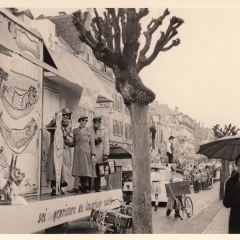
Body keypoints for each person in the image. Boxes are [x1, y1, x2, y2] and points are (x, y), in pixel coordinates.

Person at [46, 108, 73, 196]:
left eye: (67, 115)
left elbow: (71, 140)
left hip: (64, 149)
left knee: (63, 169)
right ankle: (54, 188)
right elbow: (48, 128)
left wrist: (66, 136)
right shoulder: (55, 123)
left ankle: (60, 187)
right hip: (55, 149)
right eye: (64, 115)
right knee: (54, 168)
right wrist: (55, 120)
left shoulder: (69, 126)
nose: (66, 117)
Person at [68, 115, 95, 194]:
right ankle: (76, 186)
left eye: (86, 121)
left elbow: (92, 143)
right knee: (77, 168)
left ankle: (85, 186)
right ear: (79, 121)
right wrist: (69, 143)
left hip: (86, 150)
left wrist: (93, 154)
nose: (84, 122)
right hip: (78, 150)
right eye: (83, 120)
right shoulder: (75, 130)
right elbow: (73, 142)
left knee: (86, 169)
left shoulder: (89, 131)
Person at [90, 115, 109, 192]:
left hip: (100, 152)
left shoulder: (104, 130)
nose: (97, 122)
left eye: (98, 121)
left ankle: (97, 187)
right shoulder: (89, 129)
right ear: (93, 122)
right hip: (91, 152)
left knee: (98, 170)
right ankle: (87, 187)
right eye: (95, 121)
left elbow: (106, 142)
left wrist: (106, 153)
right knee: (90, 170)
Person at [223, 155, 240, 234]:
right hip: (236, 221)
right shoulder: (231, 182)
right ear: (237, 165)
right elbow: (226, 203)